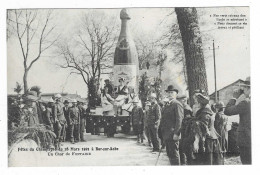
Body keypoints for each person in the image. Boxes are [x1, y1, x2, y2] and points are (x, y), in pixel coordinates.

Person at [224, 77, 251, 164]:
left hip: (247, 140)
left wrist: (234, 98)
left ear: (249, 89)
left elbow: (227, 111)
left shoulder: (246, 103)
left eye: (245, 88)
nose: (243, 90)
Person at [193, 93, 223, 165]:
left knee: (208, 161)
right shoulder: (207, 112)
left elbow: (201, 129)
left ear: (199, 103)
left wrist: (196, 142)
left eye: (196, 101)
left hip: (207, 141)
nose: (195, 103)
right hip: (212, 139)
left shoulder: (204, 113)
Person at [160, 85, 183, 165]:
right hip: (167, 134)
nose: (170, 94)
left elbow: (179, 120)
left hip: (173, 134)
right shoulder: (167, 105)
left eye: (172, 92)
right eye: (168, 92)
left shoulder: (177, 104)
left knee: (174, 154)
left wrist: (177, 133)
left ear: (176, 94)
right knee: (169, 154)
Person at [177, 94, 193, 165]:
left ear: (184, 100)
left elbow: (187, 121)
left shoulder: (187, 109)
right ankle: (183, 162)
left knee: (185, 148)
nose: (179, 102)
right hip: (183, 130)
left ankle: (185, 163)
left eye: (180, 100)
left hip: (186, 131)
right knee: (181, 147)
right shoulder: (183, 108)